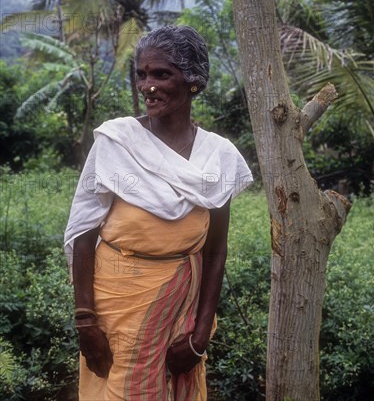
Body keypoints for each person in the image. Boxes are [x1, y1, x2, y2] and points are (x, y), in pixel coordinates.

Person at [64, 25, 253, 401]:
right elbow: (84, 232)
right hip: (114, 307)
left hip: (181, 310)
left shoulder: (218, 156)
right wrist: (85, 321)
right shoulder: (117, 143)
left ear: (193, 80)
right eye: (141, 74)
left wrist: (200, 337)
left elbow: (215, 251)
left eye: (161, 74)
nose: (147, 85)